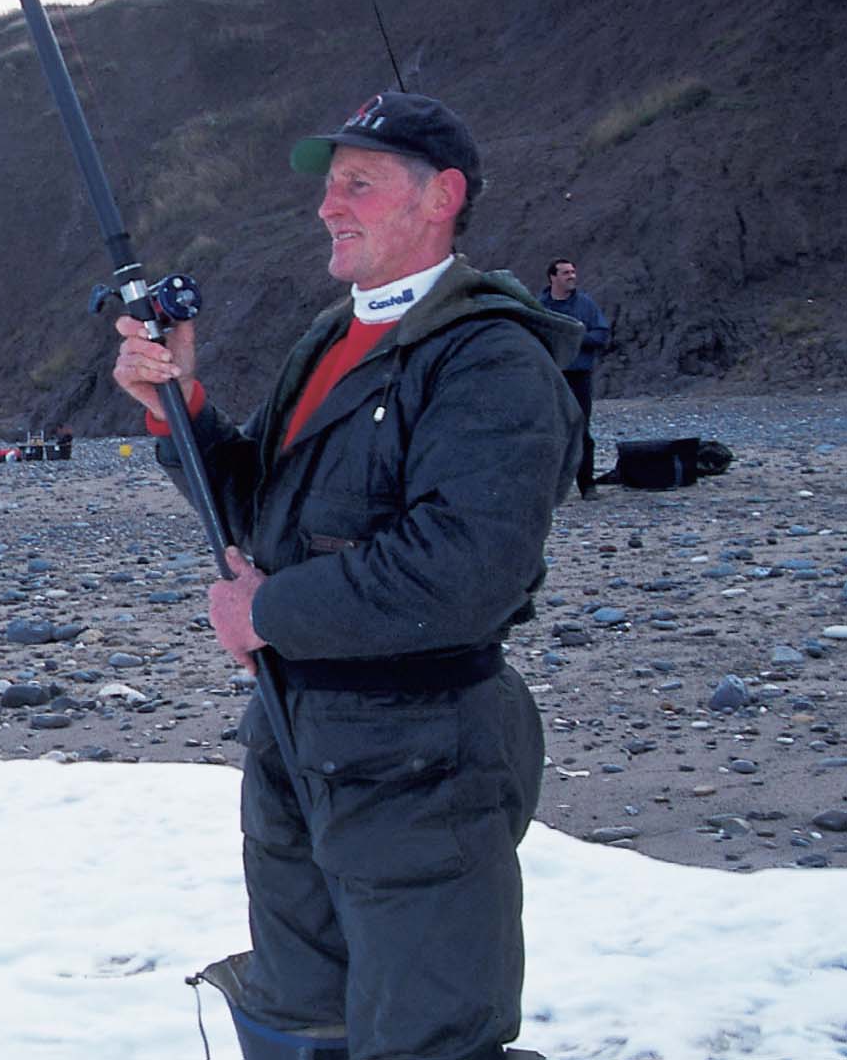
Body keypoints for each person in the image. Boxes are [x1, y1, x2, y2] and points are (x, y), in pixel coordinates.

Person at [112, 91, 579, 1060]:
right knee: (296, 1020)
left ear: (441, 195)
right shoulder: (327, 342)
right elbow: (264, 514)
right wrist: (179, 406)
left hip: (420, 765)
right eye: (329, 188)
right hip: (294, 748)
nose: (329, 207)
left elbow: (464, 572)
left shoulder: (493, 357)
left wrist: (268, 610)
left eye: (358, 184)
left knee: (427, 1040)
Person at [537, 258, 611, 498]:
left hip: (579, 377)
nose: (571, 276)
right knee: (550, 430)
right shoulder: (539, 306)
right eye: (566, 273)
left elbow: (600, 334)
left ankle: (587, 484)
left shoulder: (585, 305)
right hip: (551, 376)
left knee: (581, 430)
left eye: (573, 272)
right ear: (553, 277)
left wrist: (574, 337)